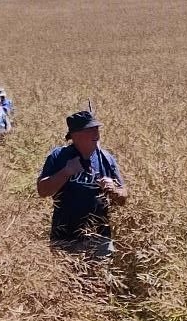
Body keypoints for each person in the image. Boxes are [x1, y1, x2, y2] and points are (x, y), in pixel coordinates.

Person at [37, 109, 126, 258]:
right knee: (66, 280)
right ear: (75, 135)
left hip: (100, 237)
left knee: (100, 280)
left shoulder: (106, 158)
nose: (96, 133)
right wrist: (66, 172)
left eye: (97, 128)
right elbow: (42, 190)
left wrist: (114, 189)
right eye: (90, 130)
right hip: (66, 237)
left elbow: (124, 196)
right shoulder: (59, 156)